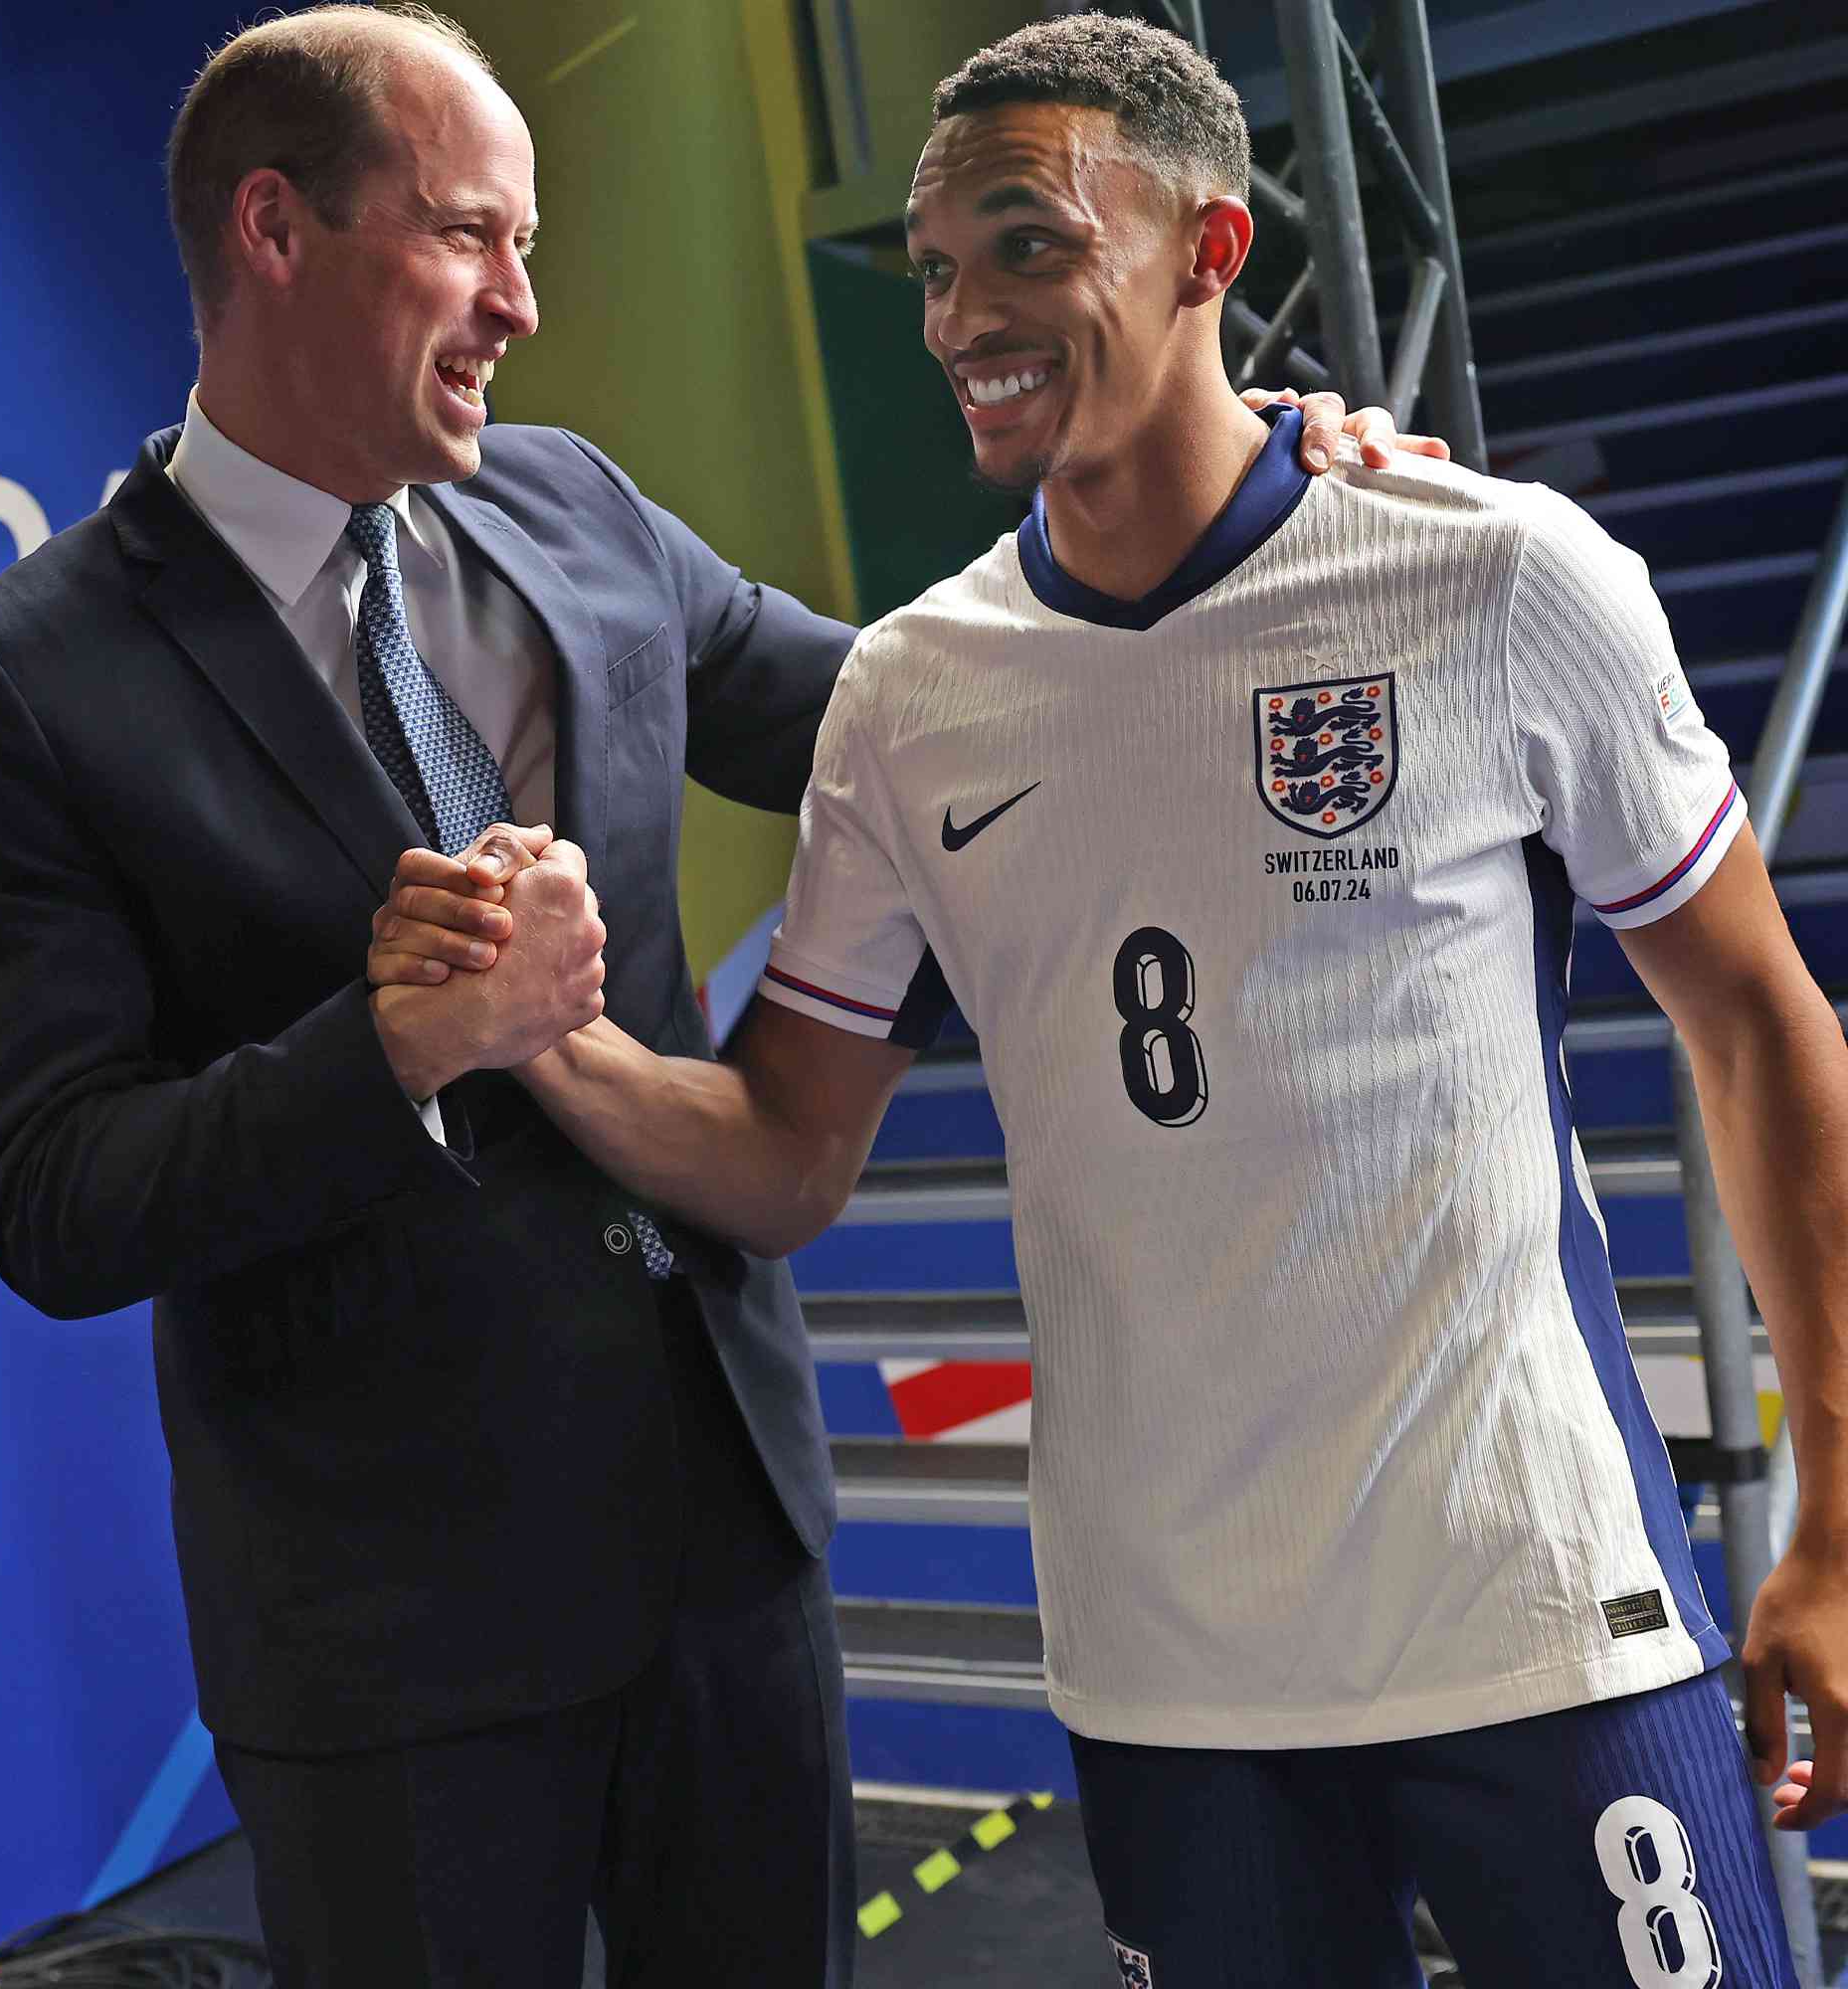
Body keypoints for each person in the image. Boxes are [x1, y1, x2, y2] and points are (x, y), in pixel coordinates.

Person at [0, 6, 1402, 1984]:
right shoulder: (21, 674)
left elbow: (923, 725)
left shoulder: (580, 506)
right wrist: (401, 1043)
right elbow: (55, 1197)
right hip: (391, 1645)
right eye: (469, 237)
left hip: (725, 1558)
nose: (521, 300)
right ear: (273, 228)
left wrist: (1241, 522)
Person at [374, 15, 1848, 1988]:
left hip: (1537, 1619)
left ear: (1209, 253)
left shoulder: (1498, 579)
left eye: (1027, 246)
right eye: (932, 270)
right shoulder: (907, 697)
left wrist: (1832, 1522)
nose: (960, 314)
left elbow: (1756, 1022)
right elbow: (791, 1150)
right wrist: (537, 1028)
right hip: (1176, 1690)